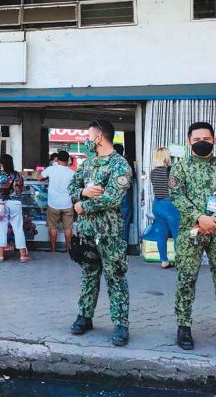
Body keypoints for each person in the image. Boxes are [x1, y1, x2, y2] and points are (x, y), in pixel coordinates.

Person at [168, 122, 216, 351]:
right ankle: (184, 328)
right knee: (186, 280)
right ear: (189, 141)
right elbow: (176, 196)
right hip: (190, 231)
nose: (202, 142)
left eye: (207, 138)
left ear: (214, 140)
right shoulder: (180, 168)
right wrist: (200, 217)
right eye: (197, 138)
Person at [68, 120, 133, 347]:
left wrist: (83, 205)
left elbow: (113, 198)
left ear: (99, 138)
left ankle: (121, 324)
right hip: (87, 232)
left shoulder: (120, 165)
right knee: (89, 275)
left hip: (110, 233)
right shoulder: (87, 164)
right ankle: (84, 316)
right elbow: (71, 187)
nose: (86, 140)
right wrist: (83, 192)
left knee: (115, 277)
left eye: (88, 136)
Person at [0, 153, 31, 263]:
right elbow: (20, 190)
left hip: (1, 203)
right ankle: (23, 255)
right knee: (18, 228)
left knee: (1, 229)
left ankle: (0, 255)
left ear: (1, 163)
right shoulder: (17, 175)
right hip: (15, 203)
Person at [148, 147, 180, 269]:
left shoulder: (153, 172)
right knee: (177, 233)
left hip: (157, 204)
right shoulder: (170, 171)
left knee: (161, 234)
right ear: (166, 157)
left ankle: (164, 260)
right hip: (169, 205)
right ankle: (180, 260)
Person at [39, 150, 75, 252]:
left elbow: (39, 177)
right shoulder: (72, 173)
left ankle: (53, 250)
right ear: (68, 160)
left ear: (57, 159)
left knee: (53, 227)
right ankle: (68, 250)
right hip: (67, 204)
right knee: (68, 228)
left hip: (53, 204)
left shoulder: (51, 169)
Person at [114, 143, 134, 244]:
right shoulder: (126, 162)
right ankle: (123, 246)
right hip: (125, 195)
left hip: (112, 195)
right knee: (124, 221)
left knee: (112, 221)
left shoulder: (110, 163)